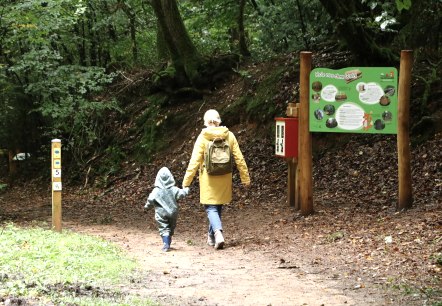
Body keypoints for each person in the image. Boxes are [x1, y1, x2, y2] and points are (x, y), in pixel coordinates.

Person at [182, 109, 250, 250]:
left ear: (206, 122)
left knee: (211, 207)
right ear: (219, 121)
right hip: (225, 177)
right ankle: (212, 236)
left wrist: (186, 182)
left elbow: (194, 161)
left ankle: (218, 233)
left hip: (208, 178)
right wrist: (245, 178)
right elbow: (239, 159)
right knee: (217, 206)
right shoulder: (229, 136)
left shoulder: (203, 137)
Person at [145, 167, 189, 252]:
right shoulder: (174, 189)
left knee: (164, 228)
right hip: (173, 212)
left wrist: (147, 207)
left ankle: (166, 244)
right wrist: (186, 189)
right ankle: (168, 242)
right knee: (171, 227)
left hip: (160, 213)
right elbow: (181, 193)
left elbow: (150, 200)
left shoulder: (156, 191)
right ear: (171, 178)